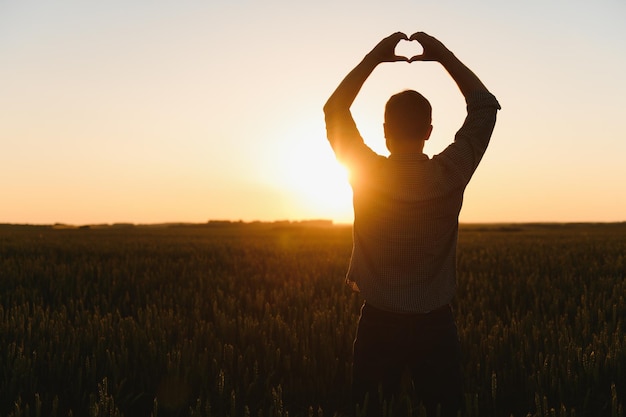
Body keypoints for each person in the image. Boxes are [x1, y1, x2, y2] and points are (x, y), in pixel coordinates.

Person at [323, 32, 500, 416]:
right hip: (435, 326)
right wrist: (443, 56)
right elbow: (485, 107)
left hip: (377, 323)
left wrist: (374, 57)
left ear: (385, 132)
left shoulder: (365, 172)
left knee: (371, 409)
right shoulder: (451, 173)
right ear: (429, 132)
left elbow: (335, 109)